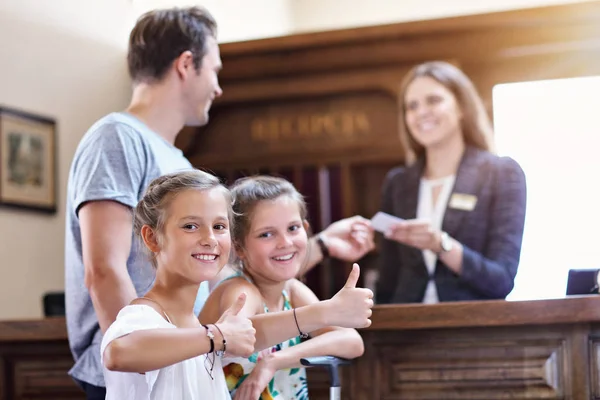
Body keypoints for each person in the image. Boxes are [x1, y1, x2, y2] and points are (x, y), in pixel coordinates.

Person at [64, 6, 375, 398]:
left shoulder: (181, 164)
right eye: (215, 69)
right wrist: (153, 359)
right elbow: (104, 271)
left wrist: (323, 251)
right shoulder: (118, 137)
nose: (218, 86)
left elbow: (236, 277)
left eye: (220, 226)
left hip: (190, 354)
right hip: (151, 366)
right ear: (186, 64)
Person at [100, 170, 373, 400]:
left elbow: (248, 334)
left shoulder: (195, 330)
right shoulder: (144, 317)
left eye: (219, 226)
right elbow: (118, 352)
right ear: (152, 238)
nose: (209, 238)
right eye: (190, 226)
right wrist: (217, 336)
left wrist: (330, 311)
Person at [200, 176, 366, 399]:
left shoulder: (292, 290)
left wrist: (276, 361)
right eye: (266, 234)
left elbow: (352, 342)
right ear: (238, 246)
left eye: (293, 228)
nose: (285, 242)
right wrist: (324, 312)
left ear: (306, 229)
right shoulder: (241, 290)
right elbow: (237, 334)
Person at [375, 61, 527, 304]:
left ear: (461, 108)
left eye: (434, 100)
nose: (422, 112)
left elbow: (502, 280)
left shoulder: (502, 173)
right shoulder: (398, 183)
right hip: (405, 330)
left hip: (472, 329)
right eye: (412, 106)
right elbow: (388, 279)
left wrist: (441, 244)